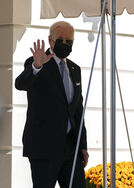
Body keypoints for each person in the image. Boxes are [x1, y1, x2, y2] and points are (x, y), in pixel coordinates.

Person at [15, 21, 89, 188]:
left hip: (70, 149)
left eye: (69, 41)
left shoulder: (75, 69)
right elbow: (20, 84)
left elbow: (78, 111)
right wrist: (36, 66)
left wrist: (82, 146)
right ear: (50, 40)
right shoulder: (37, 62)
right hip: (43, 148)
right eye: (60, 40)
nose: (65, 44)